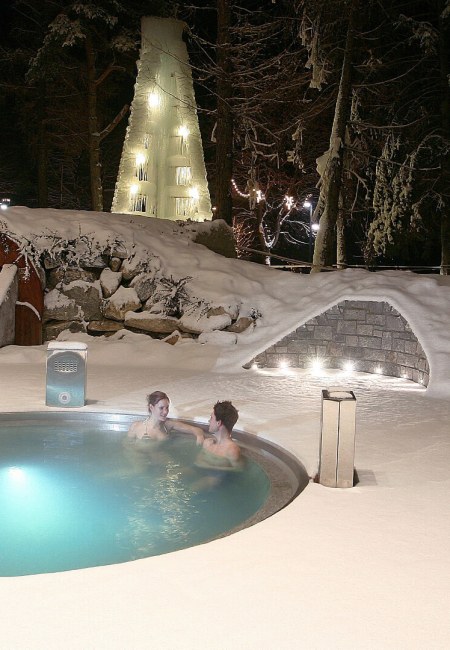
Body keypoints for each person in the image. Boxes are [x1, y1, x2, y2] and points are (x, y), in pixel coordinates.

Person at [127, 391, 204, 445]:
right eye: (161, 408)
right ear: (151, 407)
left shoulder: (168, 425)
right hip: (140, 461)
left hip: (161, 459)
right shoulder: (136, 426)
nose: (165, 412)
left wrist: (199, 437)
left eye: (167, 408)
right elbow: (128, 447)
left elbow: (196, 430)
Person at [196, 400, 242, 470]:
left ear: (218, 423)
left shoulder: (231, 450)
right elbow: (196, 464)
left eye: (211, 418)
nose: (209, 421)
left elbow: (239, 470)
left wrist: (207, 467)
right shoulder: (207, 443)